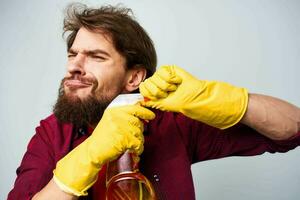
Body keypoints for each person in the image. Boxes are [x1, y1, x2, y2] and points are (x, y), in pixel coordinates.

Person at [8, 3, 300, 200]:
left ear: (133, 78)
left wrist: (223, 99)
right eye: (73, 54)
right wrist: (86, 157)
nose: (74, 66)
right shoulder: (51, 134)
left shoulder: (172, 124)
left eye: (96, 57)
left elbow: (291, 129)